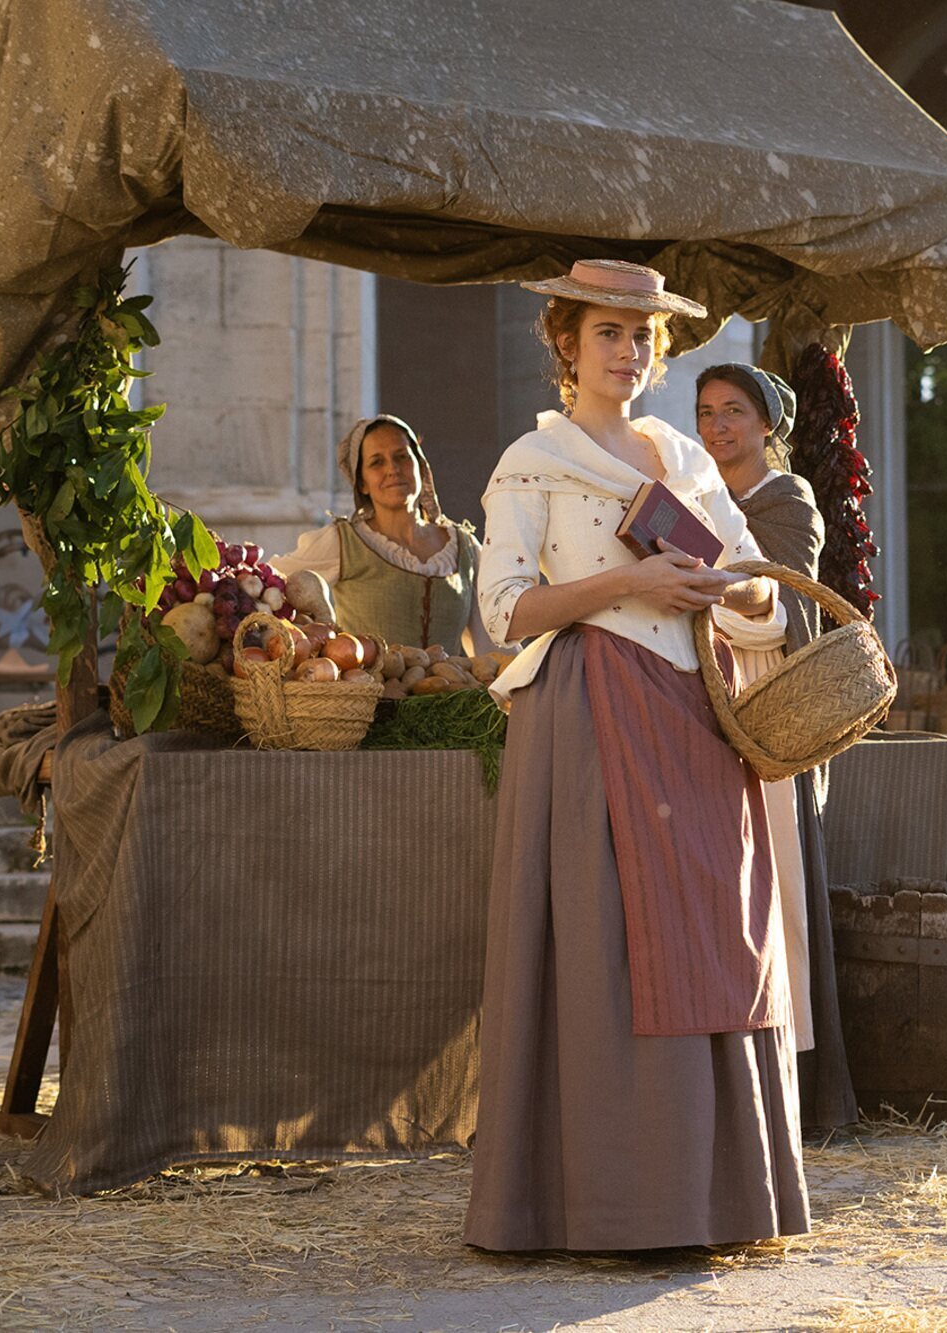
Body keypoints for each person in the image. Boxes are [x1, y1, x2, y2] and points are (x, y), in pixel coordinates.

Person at [464, 260, 808, 1252]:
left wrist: (727, 591)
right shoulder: (534, 466)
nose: (630, 352)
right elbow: (502, 613)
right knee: (606, 943)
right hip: (585, 714)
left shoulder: (685, 461)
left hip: (697, 719)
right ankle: (608, 1202)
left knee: (709, 930)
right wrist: (630, 588)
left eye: (644, 335)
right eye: (609, 333)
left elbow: (764, 598)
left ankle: (717, 1198)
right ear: (565, 344)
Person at [694, 361, 858, 1133]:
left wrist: (712, 593)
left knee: (779, 886)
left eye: (733, 411)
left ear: (766, 425)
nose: (719, 426)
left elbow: (785, 605)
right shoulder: (700, 497)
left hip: (773, 704)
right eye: (706, 413)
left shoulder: (786, 501)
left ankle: (794, 1084)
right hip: (710, 700)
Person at [272, 414, 487, 655]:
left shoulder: (464, 547)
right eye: (376, 462)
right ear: (361, 483)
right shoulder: (342, 542)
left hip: (453, 691)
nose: (393, 469)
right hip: (370, 692)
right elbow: (268, 584)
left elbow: (490, 642)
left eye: (402, 457)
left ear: (421, 466)